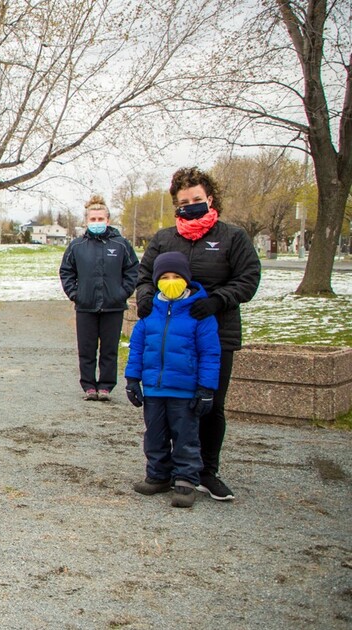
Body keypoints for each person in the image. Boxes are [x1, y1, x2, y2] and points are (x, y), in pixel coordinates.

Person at [136, 167, 260, 502]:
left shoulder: (232, 237)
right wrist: (145, 297)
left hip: (215, 333)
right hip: (170, 339)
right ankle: (164, 471)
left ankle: (205, 471)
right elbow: (144, 275)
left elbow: (249, 278)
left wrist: (219, 300)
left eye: (197, 200)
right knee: (165, 406)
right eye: (183, 201)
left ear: (210, 199)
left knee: (209, 405)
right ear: (176, 203)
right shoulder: (164, 239)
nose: (190, 205)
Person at [125, 252, 221, 509]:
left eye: (176, 277)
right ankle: (157, 475)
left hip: (185, 390)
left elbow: (210, 353)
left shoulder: (199, 314)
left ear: (186, 280)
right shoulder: (150, 311)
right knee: (154, 434)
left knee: (185, 437)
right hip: (154, 388)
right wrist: (132, 379)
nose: (170, 281)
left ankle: (186, 480)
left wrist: (206, 388)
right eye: (165, 277)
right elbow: (137, 347)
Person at [59, 194, 139, 402]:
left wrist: (122, 293)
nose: (96, 223)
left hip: (113, 307)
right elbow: (66, 271)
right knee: (87, 349)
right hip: (85, 306)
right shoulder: (77, 246)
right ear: (86, 221)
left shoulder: (121, 245)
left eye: (100, 219)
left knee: (109, 350)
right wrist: (75, 294)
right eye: (92, 219)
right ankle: (88, 385)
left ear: (108, 220)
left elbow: (133, 271)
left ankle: (105, 385)